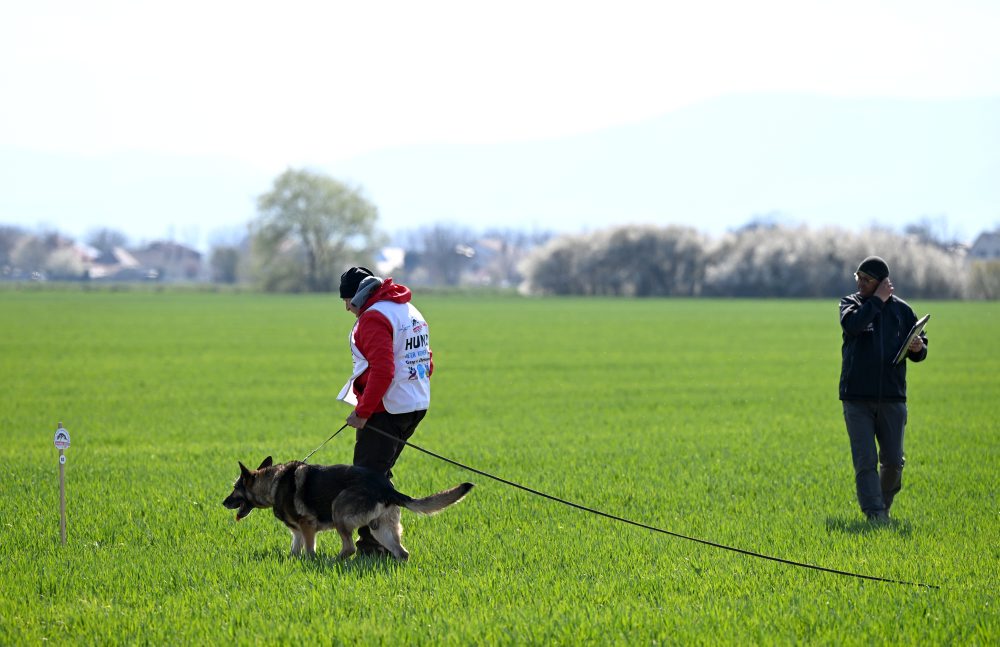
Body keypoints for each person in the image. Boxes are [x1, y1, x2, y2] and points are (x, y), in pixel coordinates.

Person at [336, 266, 433, 554]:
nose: (346, 308)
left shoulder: (374, 317)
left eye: (347, 301)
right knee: (378, 473)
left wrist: (363, 411)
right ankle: (384, 541)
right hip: (415, 403)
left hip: (387, 409)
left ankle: (372, 546)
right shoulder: (407, 310)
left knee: (365, 477)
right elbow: (426, 360)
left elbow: (382, 369)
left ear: (359, 295)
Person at [839, 256, 928, 523]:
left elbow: (920, 349)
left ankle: (884, 505)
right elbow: (853, 326)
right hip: (856, 398)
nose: (861, 283)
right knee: (865, 460)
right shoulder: (851, 305)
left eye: (867, 280)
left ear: (882, 282)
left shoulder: (903, 311)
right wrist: (877, 300)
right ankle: (874, 514)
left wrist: (919, 348)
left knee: (893, 462)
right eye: (859, 278)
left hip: (892, 398)